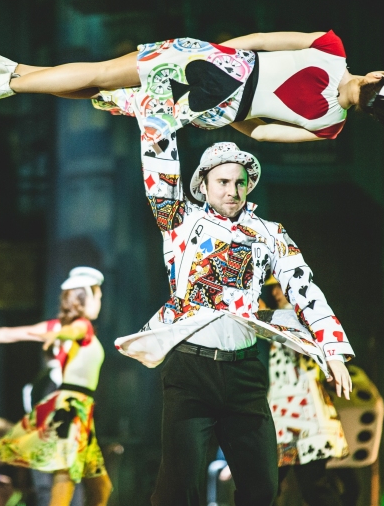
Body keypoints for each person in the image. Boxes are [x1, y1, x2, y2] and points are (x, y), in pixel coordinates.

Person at [110, 137, 355, 506]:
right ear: (204, 185)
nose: (233, 190)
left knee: (263, 489)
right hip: (190, 373)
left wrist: (332, 349)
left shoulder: (270, 233)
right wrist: (158, 114)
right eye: (223, 182)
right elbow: (160, 175)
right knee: (178, 490)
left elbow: (305, 290)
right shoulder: (181, 222)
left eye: (240, 182)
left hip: (244, 376)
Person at [0, 31, 384, 145]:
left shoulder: (332, 48)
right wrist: (222, 111)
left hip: (216, 63)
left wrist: (214, 56)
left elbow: (259, 40)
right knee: (102, 91)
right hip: (211, 107)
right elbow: (258, 133)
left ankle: (9, 82)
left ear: (379, 79)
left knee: (100, 74)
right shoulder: (329, 128)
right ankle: (11, 73)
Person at [0, 267, 112, 506]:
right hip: (71, 407)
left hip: (79, 409)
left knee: (101, 487)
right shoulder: (80, 327)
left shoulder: (58, 328)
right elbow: (69, 331)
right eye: (98, 297)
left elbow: (10, 333)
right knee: (65, 477)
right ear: (84, 298)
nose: (99, 302)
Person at [260, 275, 348, 506]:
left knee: (309, 488)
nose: (275, 293)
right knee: (269, 487)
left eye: (279, 287)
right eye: (274, 288)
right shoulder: (284, 316)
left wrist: (261, 312)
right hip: (286, 419)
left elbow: (291, 339)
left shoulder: (299, 316)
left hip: (304, 417)